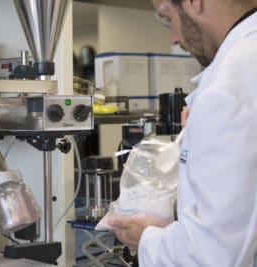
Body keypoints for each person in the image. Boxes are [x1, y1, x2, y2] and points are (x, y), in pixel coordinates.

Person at [109, 0, 257, 266]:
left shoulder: (228, 88)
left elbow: (212, 256)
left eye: (167, 19)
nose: (173, 38)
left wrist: (148, 238)